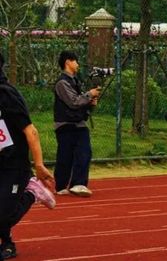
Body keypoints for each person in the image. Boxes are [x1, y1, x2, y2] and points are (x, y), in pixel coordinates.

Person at [0, 52, 57, 261]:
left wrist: (39, 165)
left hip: (13, 165)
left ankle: (32, 191)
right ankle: (7, 244)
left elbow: (31, 131)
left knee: (2, 214)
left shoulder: (6, 94)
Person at [53, 51, 100, 197]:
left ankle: (78, 183)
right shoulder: (62, 83)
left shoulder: (75, 82)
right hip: (65, 124)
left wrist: (90, 103)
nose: (78, 64)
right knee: (65, 156)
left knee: (84, 152)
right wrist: (89, 94)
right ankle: (61, 185)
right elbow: (73, 102)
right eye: (76, 61)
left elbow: (81, 102)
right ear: (68, 62)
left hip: (79, 124)